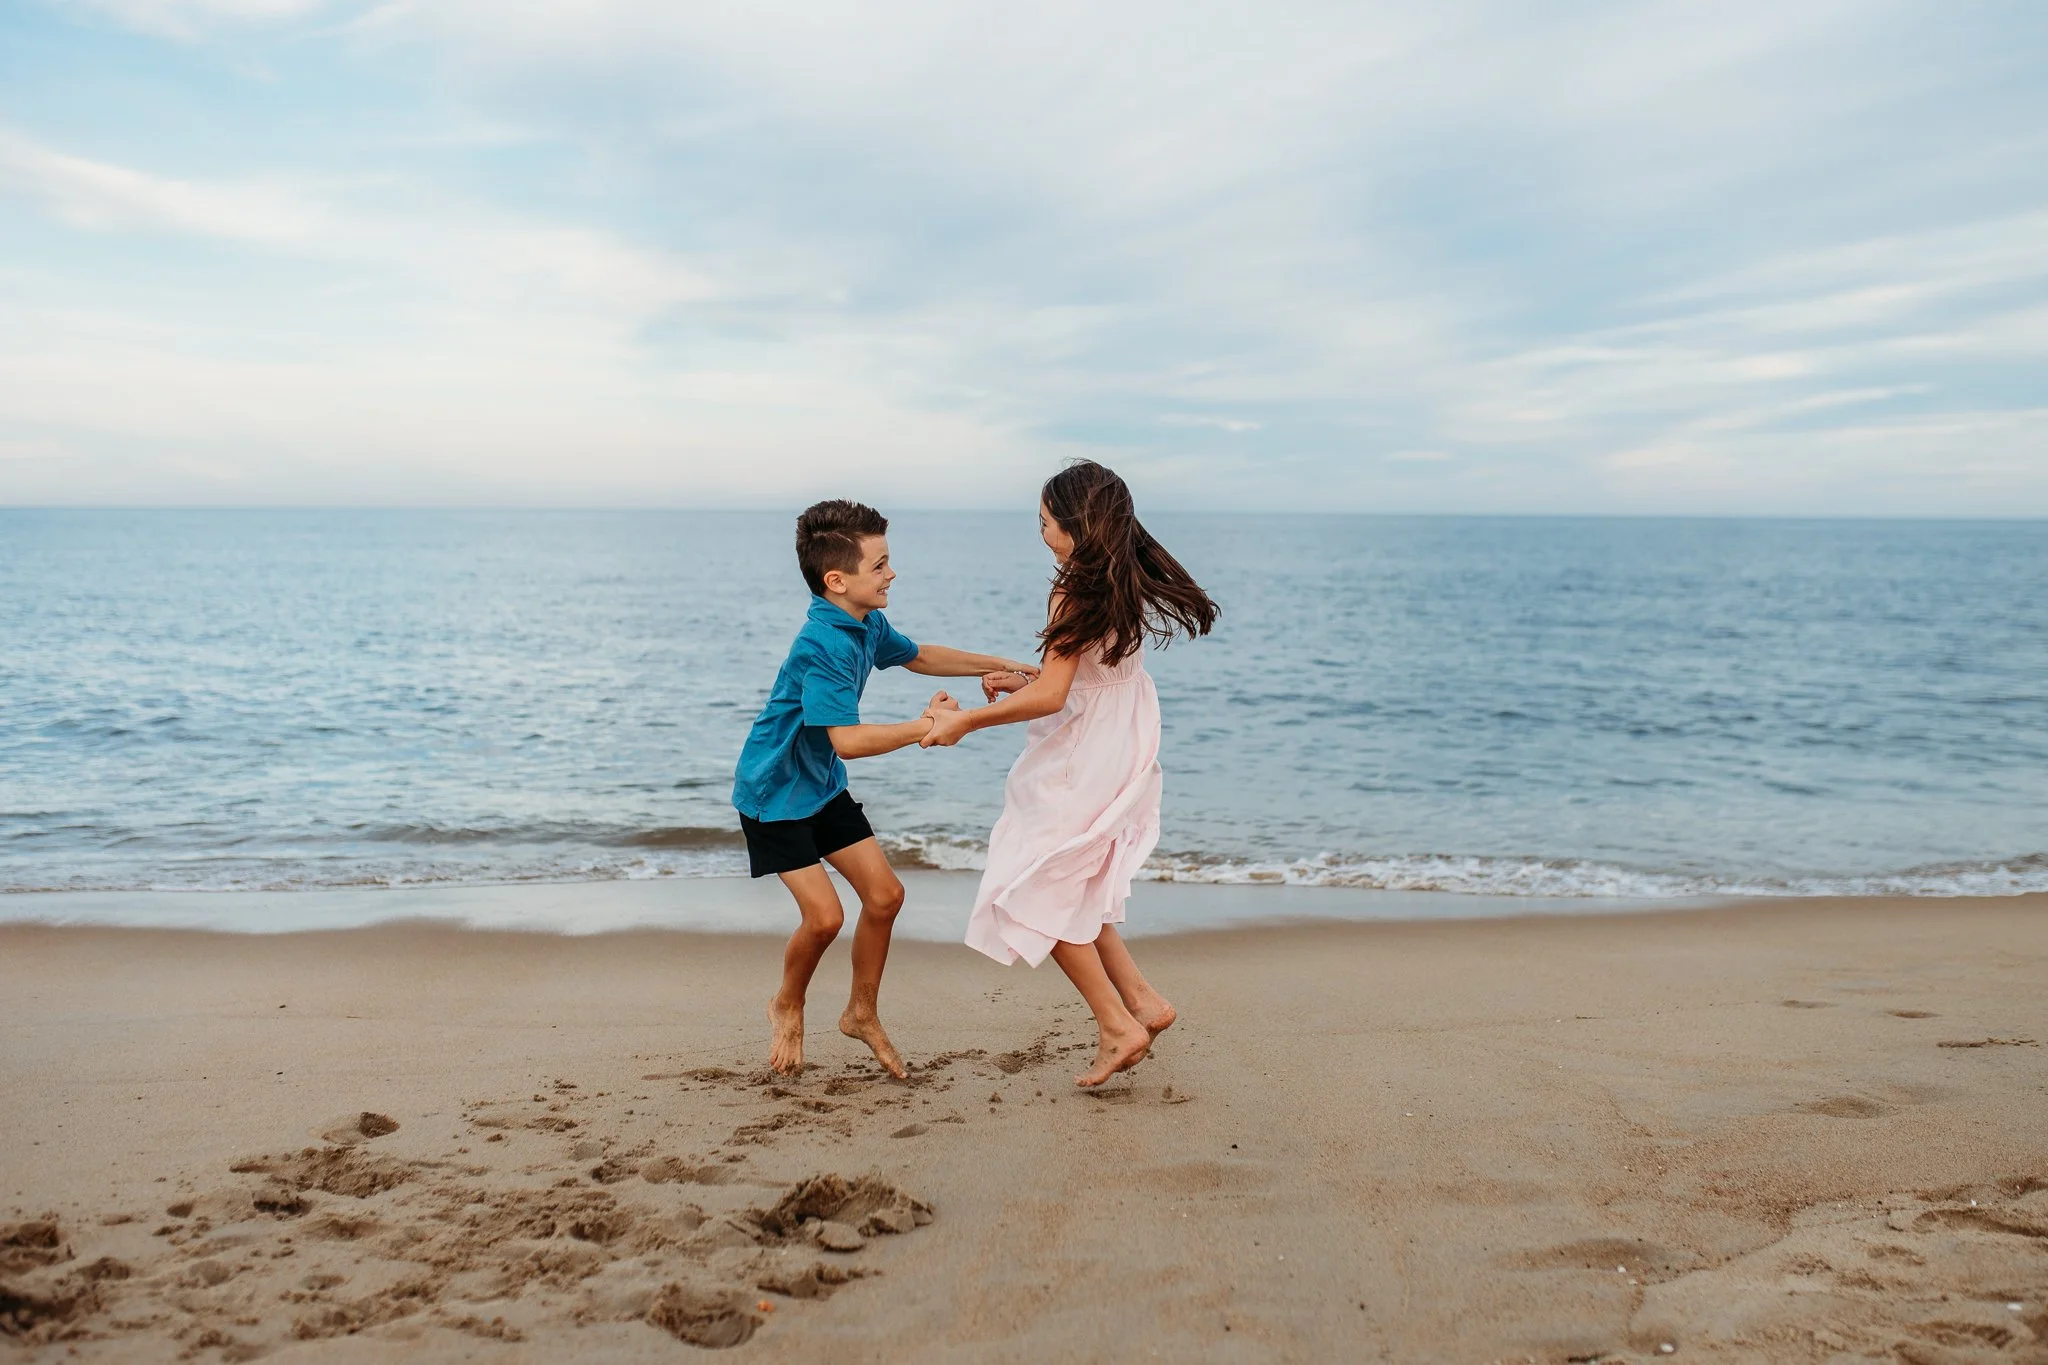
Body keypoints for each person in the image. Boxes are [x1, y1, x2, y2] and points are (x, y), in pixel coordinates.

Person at [922, 462, 1219, 1086]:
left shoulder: (1073, 590)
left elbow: (1057, 696)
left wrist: (968, 720)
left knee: (1032, 882)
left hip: (1080, 753)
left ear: (1076, 525)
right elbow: (1090, 677)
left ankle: (1117, 1026)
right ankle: (1142, 1002)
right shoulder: (1120, 577)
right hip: (1118, 739)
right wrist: (1025, 680)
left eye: (1044, 521)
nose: (1040, 532)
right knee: (1070, 878)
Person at [734, 499, 1039, 1079]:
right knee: (824, 918)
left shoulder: (865, 622)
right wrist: (929, 726)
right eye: (879, 565)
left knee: (884, 897)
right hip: (774, 796)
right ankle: (788, 1003)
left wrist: (1005, 664)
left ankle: (861, 1012)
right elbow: (848, 741)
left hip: (820, 786)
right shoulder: (822, 645)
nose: (891, 574)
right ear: (837, 580)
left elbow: (919, 656)